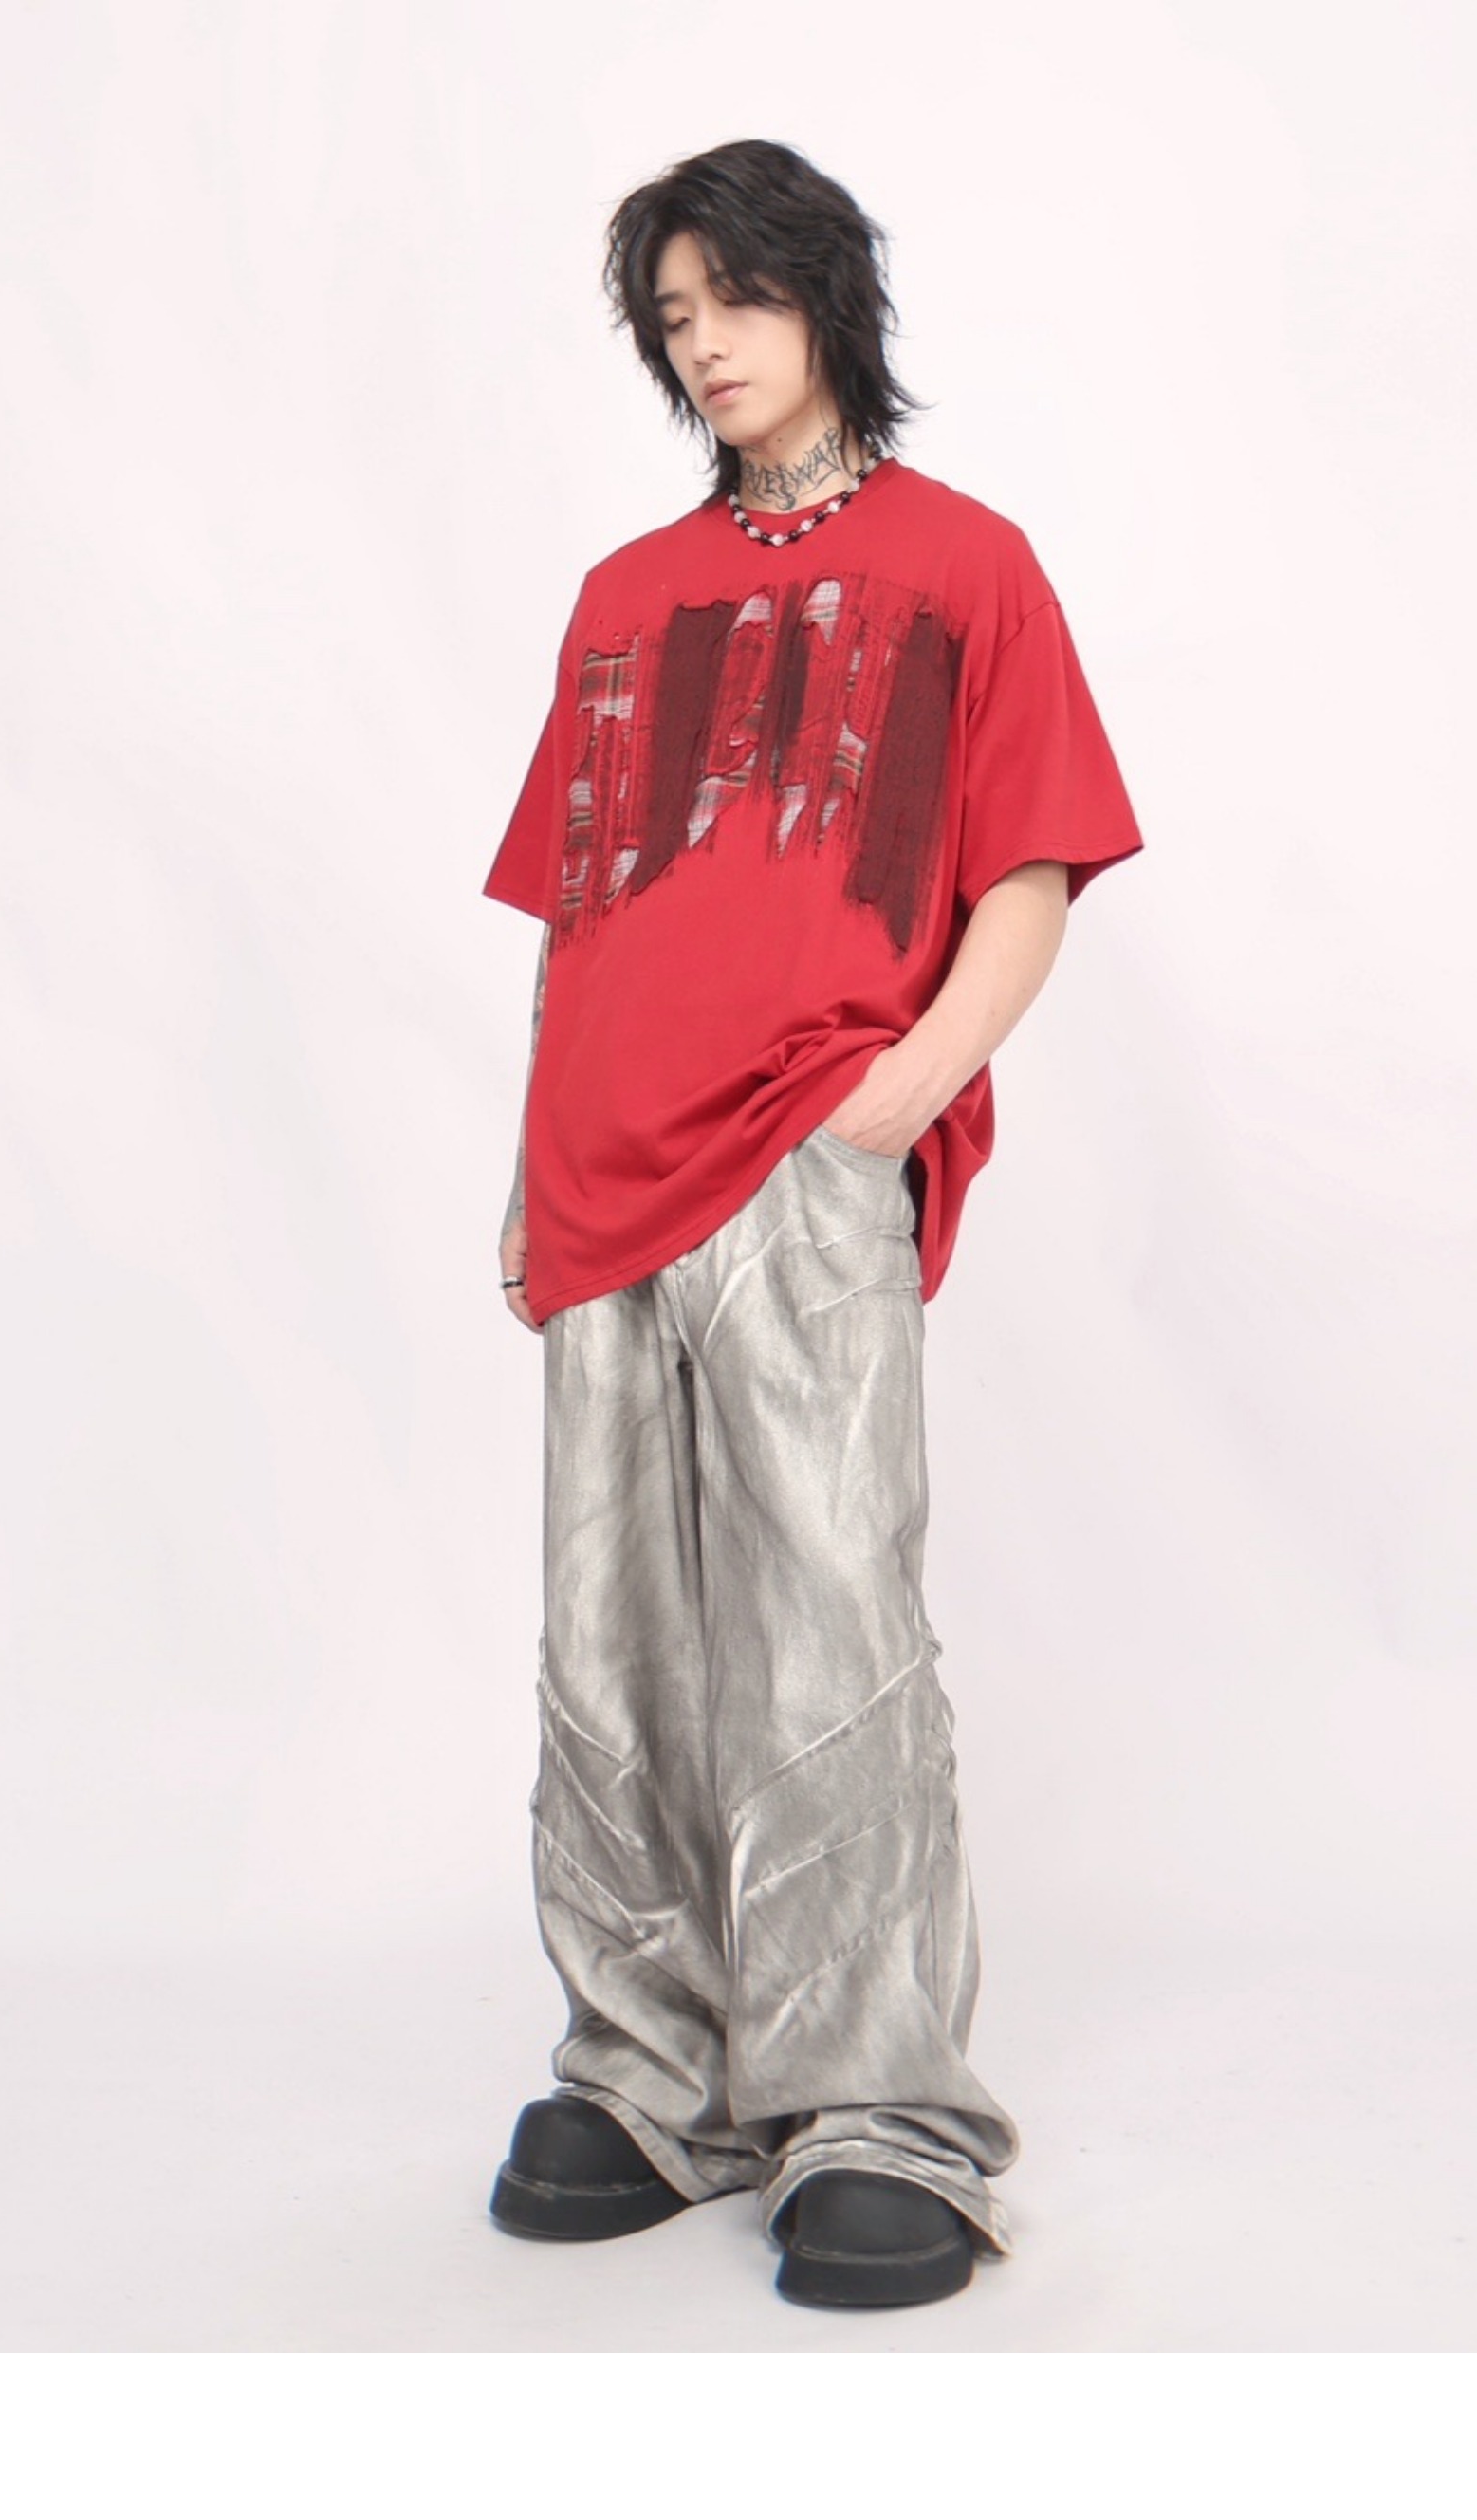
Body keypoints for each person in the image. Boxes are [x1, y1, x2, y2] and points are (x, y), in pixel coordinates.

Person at [479, 138, 1145, 2310]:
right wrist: (529, 1165)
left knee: (827, 1628)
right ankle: (650, 2070)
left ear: (827, 298)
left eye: (735, 299)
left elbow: (1025, 869)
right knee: (613, 1647)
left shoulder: (968, 566)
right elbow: (578, 911)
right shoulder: (621, 594)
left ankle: (874, 2106)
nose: (705, 345)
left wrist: (897, 1097)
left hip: (803, 1149)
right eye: (670, 318)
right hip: (606, 1169)